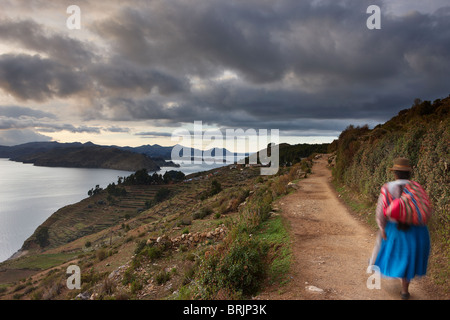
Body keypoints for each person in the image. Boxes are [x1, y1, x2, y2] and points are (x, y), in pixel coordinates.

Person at [373, 157, 431, 300]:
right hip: (417, 230)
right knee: (409, 259)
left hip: (395, 229)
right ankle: (405, 290)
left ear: (395, 173)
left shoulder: (387, 188)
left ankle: (395, 276)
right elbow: (426, 207)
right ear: (409, 173)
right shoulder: (417, 187)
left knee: (395, 256)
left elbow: (381, 211)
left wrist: (382, 228)